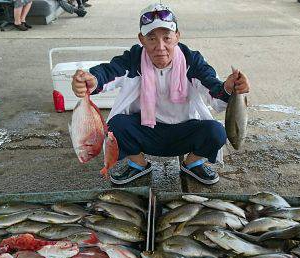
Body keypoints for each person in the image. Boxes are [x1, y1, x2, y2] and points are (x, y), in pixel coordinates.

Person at [71, 3, 250, 185]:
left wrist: (228, 88)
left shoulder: (192, 61)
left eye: (167, 38)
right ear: (141, 39)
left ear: (177, 37)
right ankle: (138, 164)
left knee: (216, 131)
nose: (160, 46)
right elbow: (108, 72)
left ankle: (192, 163)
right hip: (145, 130)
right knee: (115, 127)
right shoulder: (133, 59)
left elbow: (213, 90)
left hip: (185, 131)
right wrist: (91, 80)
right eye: (151, 38)